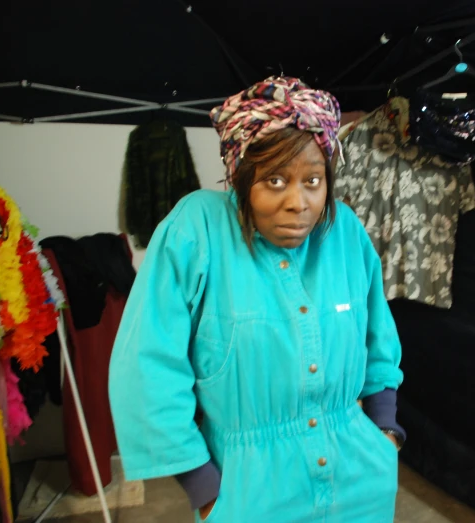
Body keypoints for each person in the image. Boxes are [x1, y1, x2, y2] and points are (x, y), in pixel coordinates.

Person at [108, 76, 405, 522]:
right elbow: (146, 366)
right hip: (249, 495)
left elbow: (378, 337)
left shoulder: (343, 230)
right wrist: (203, 488)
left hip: (359, 482)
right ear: (240, 176)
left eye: (313, 180)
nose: (298, 202)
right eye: (275, 180)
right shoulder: (197, 230)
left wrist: (386, 431)